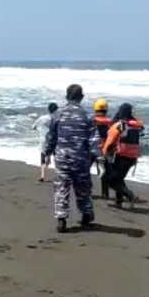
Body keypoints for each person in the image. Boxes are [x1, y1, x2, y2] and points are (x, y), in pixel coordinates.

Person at [43, 84, 96, 233]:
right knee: (83, 188)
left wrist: (47, 153)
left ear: (67, 96)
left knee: (62, 187)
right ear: (81, 97)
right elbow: (93, 140)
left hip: (62, 157)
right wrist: (95, 156)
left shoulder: (57, 115)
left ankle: (61, 219)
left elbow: (52, 137)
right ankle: (86, 214)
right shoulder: (88, 116)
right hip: (81, 158)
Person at [101, 103, 144, 209]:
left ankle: (130, 195)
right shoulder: (136, 125)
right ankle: (118, 202)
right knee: (119, 179)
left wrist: (105, 152)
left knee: (110, 180)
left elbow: (110, 140)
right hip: (133, 158)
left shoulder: (119, 125)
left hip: (120, 156)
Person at [32, 102, 58, 182]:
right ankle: (58, 174)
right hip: (54, 140)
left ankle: (42, 175)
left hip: (43, 139)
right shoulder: (56, 119)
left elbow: (33, 127)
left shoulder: (42, 118)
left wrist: (40, 130)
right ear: (56, 110)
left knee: (42, 156)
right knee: (56, 157)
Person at [92, 99, 113, 198]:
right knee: (104, 172)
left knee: (85, 170)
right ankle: (105, 194)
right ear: (106, 110)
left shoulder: (91, 120)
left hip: (91, 148)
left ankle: (86, 191)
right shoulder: (110, 122)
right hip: (103, 150)